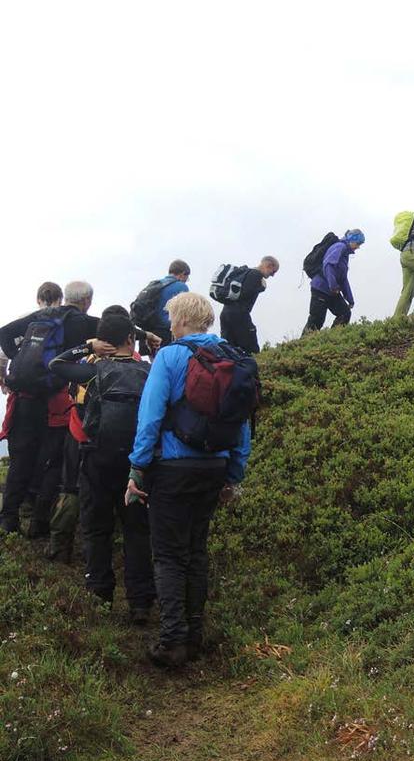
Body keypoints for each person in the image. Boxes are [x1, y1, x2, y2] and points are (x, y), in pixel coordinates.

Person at [127, 292, 251, 667]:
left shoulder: (170, 356)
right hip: (213, 469)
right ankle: (194, 637)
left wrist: (137, 468)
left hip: (173, 470)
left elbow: (150, 417)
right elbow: (241, 423)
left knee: (168, 554)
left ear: (179, 320)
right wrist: (233, 474)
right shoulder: (233, 357)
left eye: (170, 318)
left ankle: (172, 642)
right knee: (196, 551)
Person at [48, 313, 155, 619]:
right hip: (137, 463)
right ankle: (140, 602)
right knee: (137, 530)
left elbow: (55, 365)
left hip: (96, 459)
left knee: (97, 529)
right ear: (129, 340)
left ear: (103, 340)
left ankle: (100, 597)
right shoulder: (146, 371)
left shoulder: (92, 370)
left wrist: (87, 346)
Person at [0, 281, 99, 537]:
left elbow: (3, 332)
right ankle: (39, 525)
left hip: (24, 398)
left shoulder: (41, 316)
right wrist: (147, 337)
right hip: (54, 401)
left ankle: (8, 520)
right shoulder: (80, 320)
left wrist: (18, 354)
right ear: (87, 301)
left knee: (20, 460)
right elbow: (116, 327)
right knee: (51, 462)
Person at [305, 230, 365, 330]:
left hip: (332, 291)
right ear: (352, 240)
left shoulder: (345, 254)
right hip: (320, 288)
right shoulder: (339, 247)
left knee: (345, 313)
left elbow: (343, 279)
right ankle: (303, 344)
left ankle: (333, 340)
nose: (358, 247)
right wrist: (333, 285)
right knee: (316, 320)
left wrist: (350, 299)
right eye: (358, 243)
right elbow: (328, 265)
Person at [218, 257, 278, 354]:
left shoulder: (245, 272)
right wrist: (261, 287)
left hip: (226, 312)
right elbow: (245, 293)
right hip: (239, 314)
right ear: (269, 265)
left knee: (228, 349)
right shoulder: (256, 275)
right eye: (273, 271)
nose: (273, 275)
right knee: (251, 350)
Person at [131, 260, 190, 354]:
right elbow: (184, 314)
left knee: (154, 365)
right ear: (183, 274)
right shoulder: (181, 287)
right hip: (166, 334)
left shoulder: (155, 284)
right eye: (187, 278)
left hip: (148, 333)